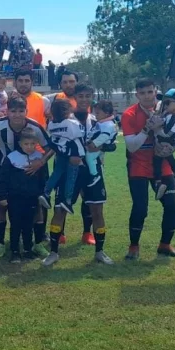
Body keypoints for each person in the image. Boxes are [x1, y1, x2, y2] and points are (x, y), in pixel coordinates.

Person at [42, 84, 114, 266]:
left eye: (87, 96)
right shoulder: (64, 118)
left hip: (93, 172)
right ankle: (53, 252)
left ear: (92, 97)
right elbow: (56, 145)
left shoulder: (98, 120)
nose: (84, 99)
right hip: (69, 171)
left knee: (97, 211)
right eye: (80, 96)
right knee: (60, 210)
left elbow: (111, 143)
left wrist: (102, 146)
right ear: (74, 98)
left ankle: (100, 251)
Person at [0, 97, 54, 258]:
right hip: (6, 170)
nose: (17, 115)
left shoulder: (34, 127)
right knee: (1, 205)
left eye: (21, 111)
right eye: (13, 111)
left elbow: (50, 148)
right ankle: (1, 243)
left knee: (36, 208)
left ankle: (37, 243)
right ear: (7, 111)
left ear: (26, 111)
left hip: (30, 172)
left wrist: (41, 161)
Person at [122, 78, 175, 259]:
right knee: (141, 208)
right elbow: (132, 146)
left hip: (162, 164)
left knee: (173, 207)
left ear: (156, 91)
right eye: (142, 93)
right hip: (138, 164)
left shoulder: (167, 108)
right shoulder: (129, 114)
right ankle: (134, 247)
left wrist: (171, 147)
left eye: (150, 92)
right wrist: (147, 129)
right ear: (137, 95)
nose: (147, 96)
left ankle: (165, 245)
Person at [0, 128, 48, 262]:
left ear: (36, 143)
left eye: (32, 144)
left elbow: (44, 178)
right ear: (20, 143)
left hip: (32, 198)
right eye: (26, 144)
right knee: (16, 225)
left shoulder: (39, 158)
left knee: (28, 225)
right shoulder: (11, 158)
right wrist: (2, 196)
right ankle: (14, 251)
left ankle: (27, 249)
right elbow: (3, 178)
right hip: (15, 198)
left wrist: (42, 194)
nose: (29, 147)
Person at [39, 99, 84, 214]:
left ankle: (46, 192)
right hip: (73, 153)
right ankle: (67, 200)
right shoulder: (71, 123)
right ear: (66, 111)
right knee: (71, 178)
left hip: (60, 152)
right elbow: (80, 133)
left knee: (56, 173)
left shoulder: (51, 124)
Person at [153, 88, 175, 199]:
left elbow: (168, 133)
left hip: (169, 142)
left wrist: (157, 129)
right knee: (166, 157)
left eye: (167, 102)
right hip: (166, 141)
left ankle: (158, 183)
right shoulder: (169, 113)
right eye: (163, 102)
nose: (164, 105)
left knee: (157, 158)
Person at [85, 100, 118, 187]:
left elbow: (104, 136)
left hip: (98, 146)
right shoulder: (104, 122)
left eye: (98, 113)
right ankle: (97, 174)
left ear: (106, 113)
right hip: (98, 145)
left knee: (90, 157)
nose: (96, 115)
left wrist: (94, 144)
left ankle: (94, 175)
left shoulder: (108, 124)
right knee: (96, 160)